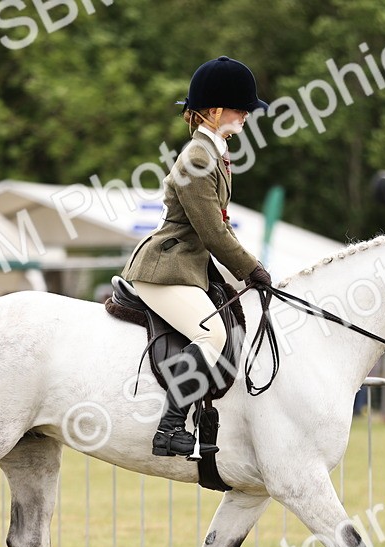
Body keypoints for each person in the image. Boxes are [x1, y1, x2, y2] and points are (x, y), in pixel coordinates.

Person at [120, 56, 271, 459]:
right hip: (164, 268)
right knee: (212, 334)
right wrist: (251, 268)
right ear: (216, 110)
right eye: (241, 109)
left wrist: (244, 268)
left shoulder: (216, 152)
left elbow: (219, 226)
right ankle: (169, 428)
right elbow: (212, 232)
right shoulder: (198, 158)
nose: (245, 116)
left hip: (189, 266)